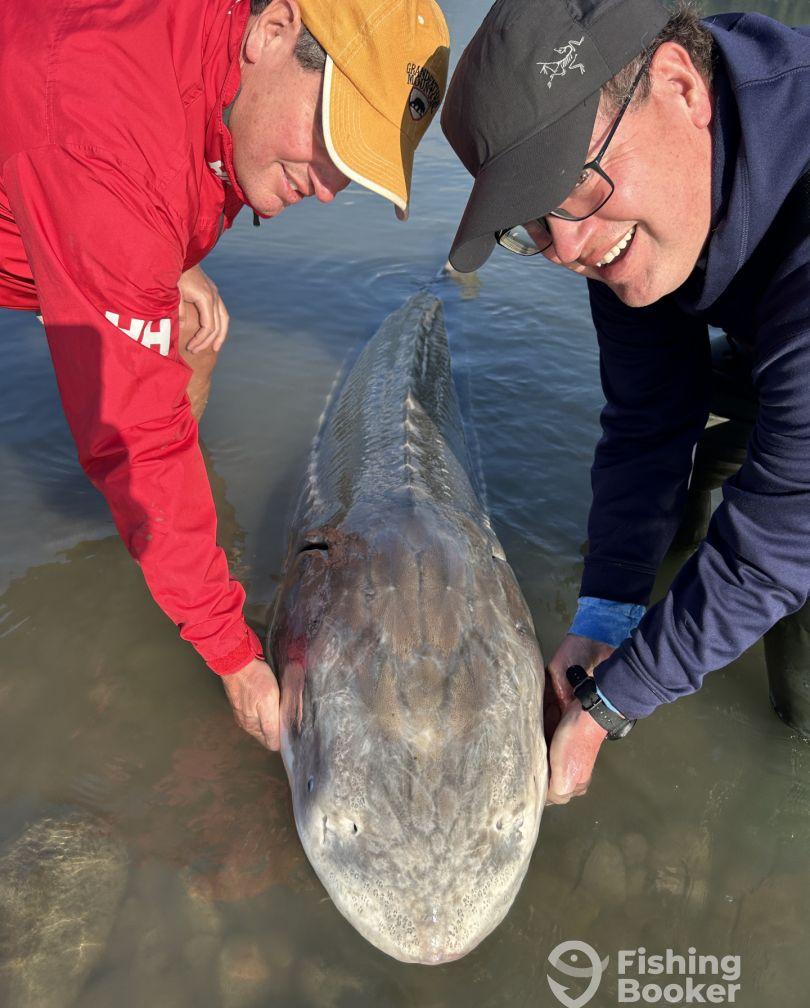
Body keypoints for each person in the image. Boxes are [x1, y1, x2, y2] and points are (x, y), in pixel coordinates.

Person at [0, 0, 450, 749]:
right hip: (63, 146)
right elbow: (138, 437)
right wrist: (233, 654)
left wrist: (170, 257)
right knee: (139, 440)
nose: (328, 189)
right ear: (273, 31)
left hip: (63, 168)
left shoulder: (209, 59)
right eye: (331, 140)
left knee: (188, 333)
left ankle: (158, 538)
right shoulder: (102, 132)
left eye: (353, 166)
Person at [441, 0, 810, 803]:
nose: (568, 248)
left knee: (799, 665)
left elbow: (782, 535)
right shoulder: (620, 222)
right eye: (531, 219)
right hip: (770, 345)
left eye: (573, 181)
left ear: (681, 86)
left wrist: (615, 701)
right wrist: (605, 616)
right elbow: (648, 416)